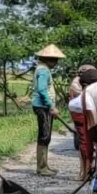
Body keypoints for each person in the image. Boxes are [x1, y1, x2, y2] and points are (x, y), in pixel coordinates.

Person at [31, 44, 66, 177]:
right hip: (42, 106)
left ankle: (44, 165)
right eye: (55, 59)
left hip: (43, 106)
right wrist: (51, 106)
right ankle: (41, 167)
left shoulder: (42, 69)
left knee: (46, 136)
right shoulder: (43, 71)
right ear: (49, 59)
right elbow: (42, 89)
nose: (56, 63)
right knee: (44, 136)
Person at [68, 64, 97, 181]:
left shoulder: (84, 83)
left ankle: (87, 171)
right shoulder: (77, 84)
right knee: (85, 145)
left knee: (88, 144)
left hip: (85, 113)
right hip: (81, 114)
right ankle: (85, 172)